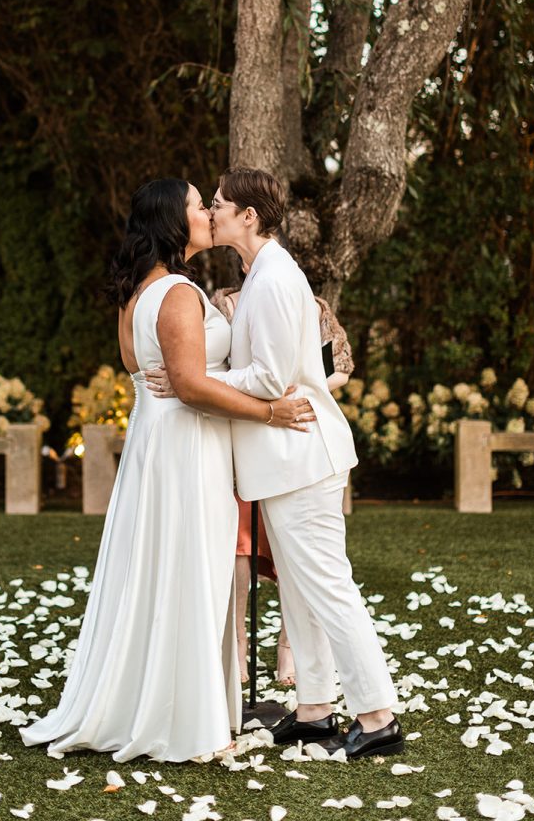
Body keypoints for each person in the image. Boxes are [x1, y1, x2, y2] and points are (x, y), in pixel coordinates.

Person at [19, 178, 315, 764]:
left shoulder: (139, 292)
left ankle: (163, 704)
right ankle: (185, 721)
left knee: (164, 570)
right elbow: (189, 387)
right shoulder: (176, 291)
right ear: (174, 223)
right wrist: (270, 411)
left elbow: (173, 378)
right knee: (192, 571)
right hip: (186, 445)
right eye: (199, 205)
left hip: (158, 444)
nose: (209, 212)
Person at [149, 168, 403, 760]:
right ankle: (314, 710)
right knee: (302, 592)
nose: (210, 213)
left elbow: (270, 379)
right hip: (286, 460)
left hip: (302, 457)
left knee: (328, 586)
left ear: (249, 216)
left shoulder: (274, 279)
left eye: (219, 204)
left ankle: (378, 716)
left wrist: (195, 379)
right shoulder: (260, 273)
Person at [212, 263, 354, 687]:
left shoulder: (316, 308)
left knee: (298, 552)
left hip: (298, 429)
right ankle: (237, 644)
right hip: (243, 433)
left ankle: (289, 647)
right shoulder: (225, 305)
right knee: (240, 545)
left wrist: (305, 389)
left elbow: (341, 366)